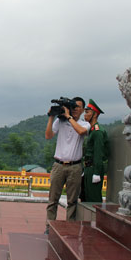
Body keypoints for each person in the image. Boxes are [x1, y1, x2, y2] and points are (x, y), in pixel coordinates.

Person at [45, 97, 90, 228]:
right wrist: (51, 117)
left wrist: (69, 117)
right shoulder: (60, 121)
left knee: (72, 201)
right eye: (73, 106)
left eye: (78, 107)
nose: (75, 109)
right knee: (53, 200)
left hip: (75, 166)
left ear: (82, 110)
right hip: (58, 165)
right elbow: (48, 136)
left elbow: (81, 132)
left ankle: (70, 228)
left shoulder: (84, 124)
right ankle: (49, 227)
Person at [80, 99, 109, 203]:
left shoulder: (97, 132)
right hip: (88, 168)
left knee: (93, 199)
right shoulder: (91, 131)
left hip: (93, 169)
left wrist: (96, 172)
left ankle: (95, 219)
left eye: (87, 112)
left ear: (95, 114)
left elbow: (98, 153)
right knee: (86, 197)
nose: (85, 115)